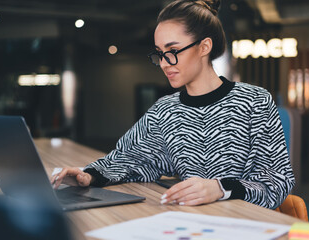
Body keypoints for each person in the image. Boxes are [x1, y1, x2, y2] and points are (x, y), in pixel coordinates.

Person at [51, 0, 295, 209]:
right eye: (159, 53)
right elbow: (129, 159)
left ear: (204, 46)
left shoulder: (254, 101)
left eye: (173, 50)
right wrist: (87, 175)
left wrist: (220, 189)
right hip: (192, 223)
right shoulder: (165, 110)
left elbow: (276, 181)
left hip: (246, 225)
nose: (165, 63)